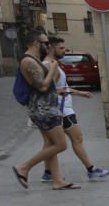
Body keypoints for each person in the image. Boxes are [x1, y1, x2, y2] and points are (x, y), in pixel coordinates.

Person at [11, 29, 79, 190]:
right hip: (43, 109)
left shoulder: (34, 60)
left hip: (45, 107)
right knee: (61, 144)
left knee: (50, 143)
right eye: (45, 43)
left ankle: (57, 180)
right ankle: (24, 167)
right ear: (36, 43)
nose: (48, 46)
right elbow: (42, 86)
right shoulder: (28, 62)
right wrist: (53, 71)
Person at [40, 37, 109, 182]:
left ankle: (48, 173)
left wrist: (79, 93)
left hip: (60, 108)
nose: (64, 51)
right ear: (51, 48)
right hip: (62, 109)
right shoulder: (50, 65)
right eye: (60, 48)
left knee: (50, 143)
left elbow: (60, 86)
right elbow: (49, 89)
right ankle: (91, 169)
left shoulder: (51, 64)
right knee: (77, 138)